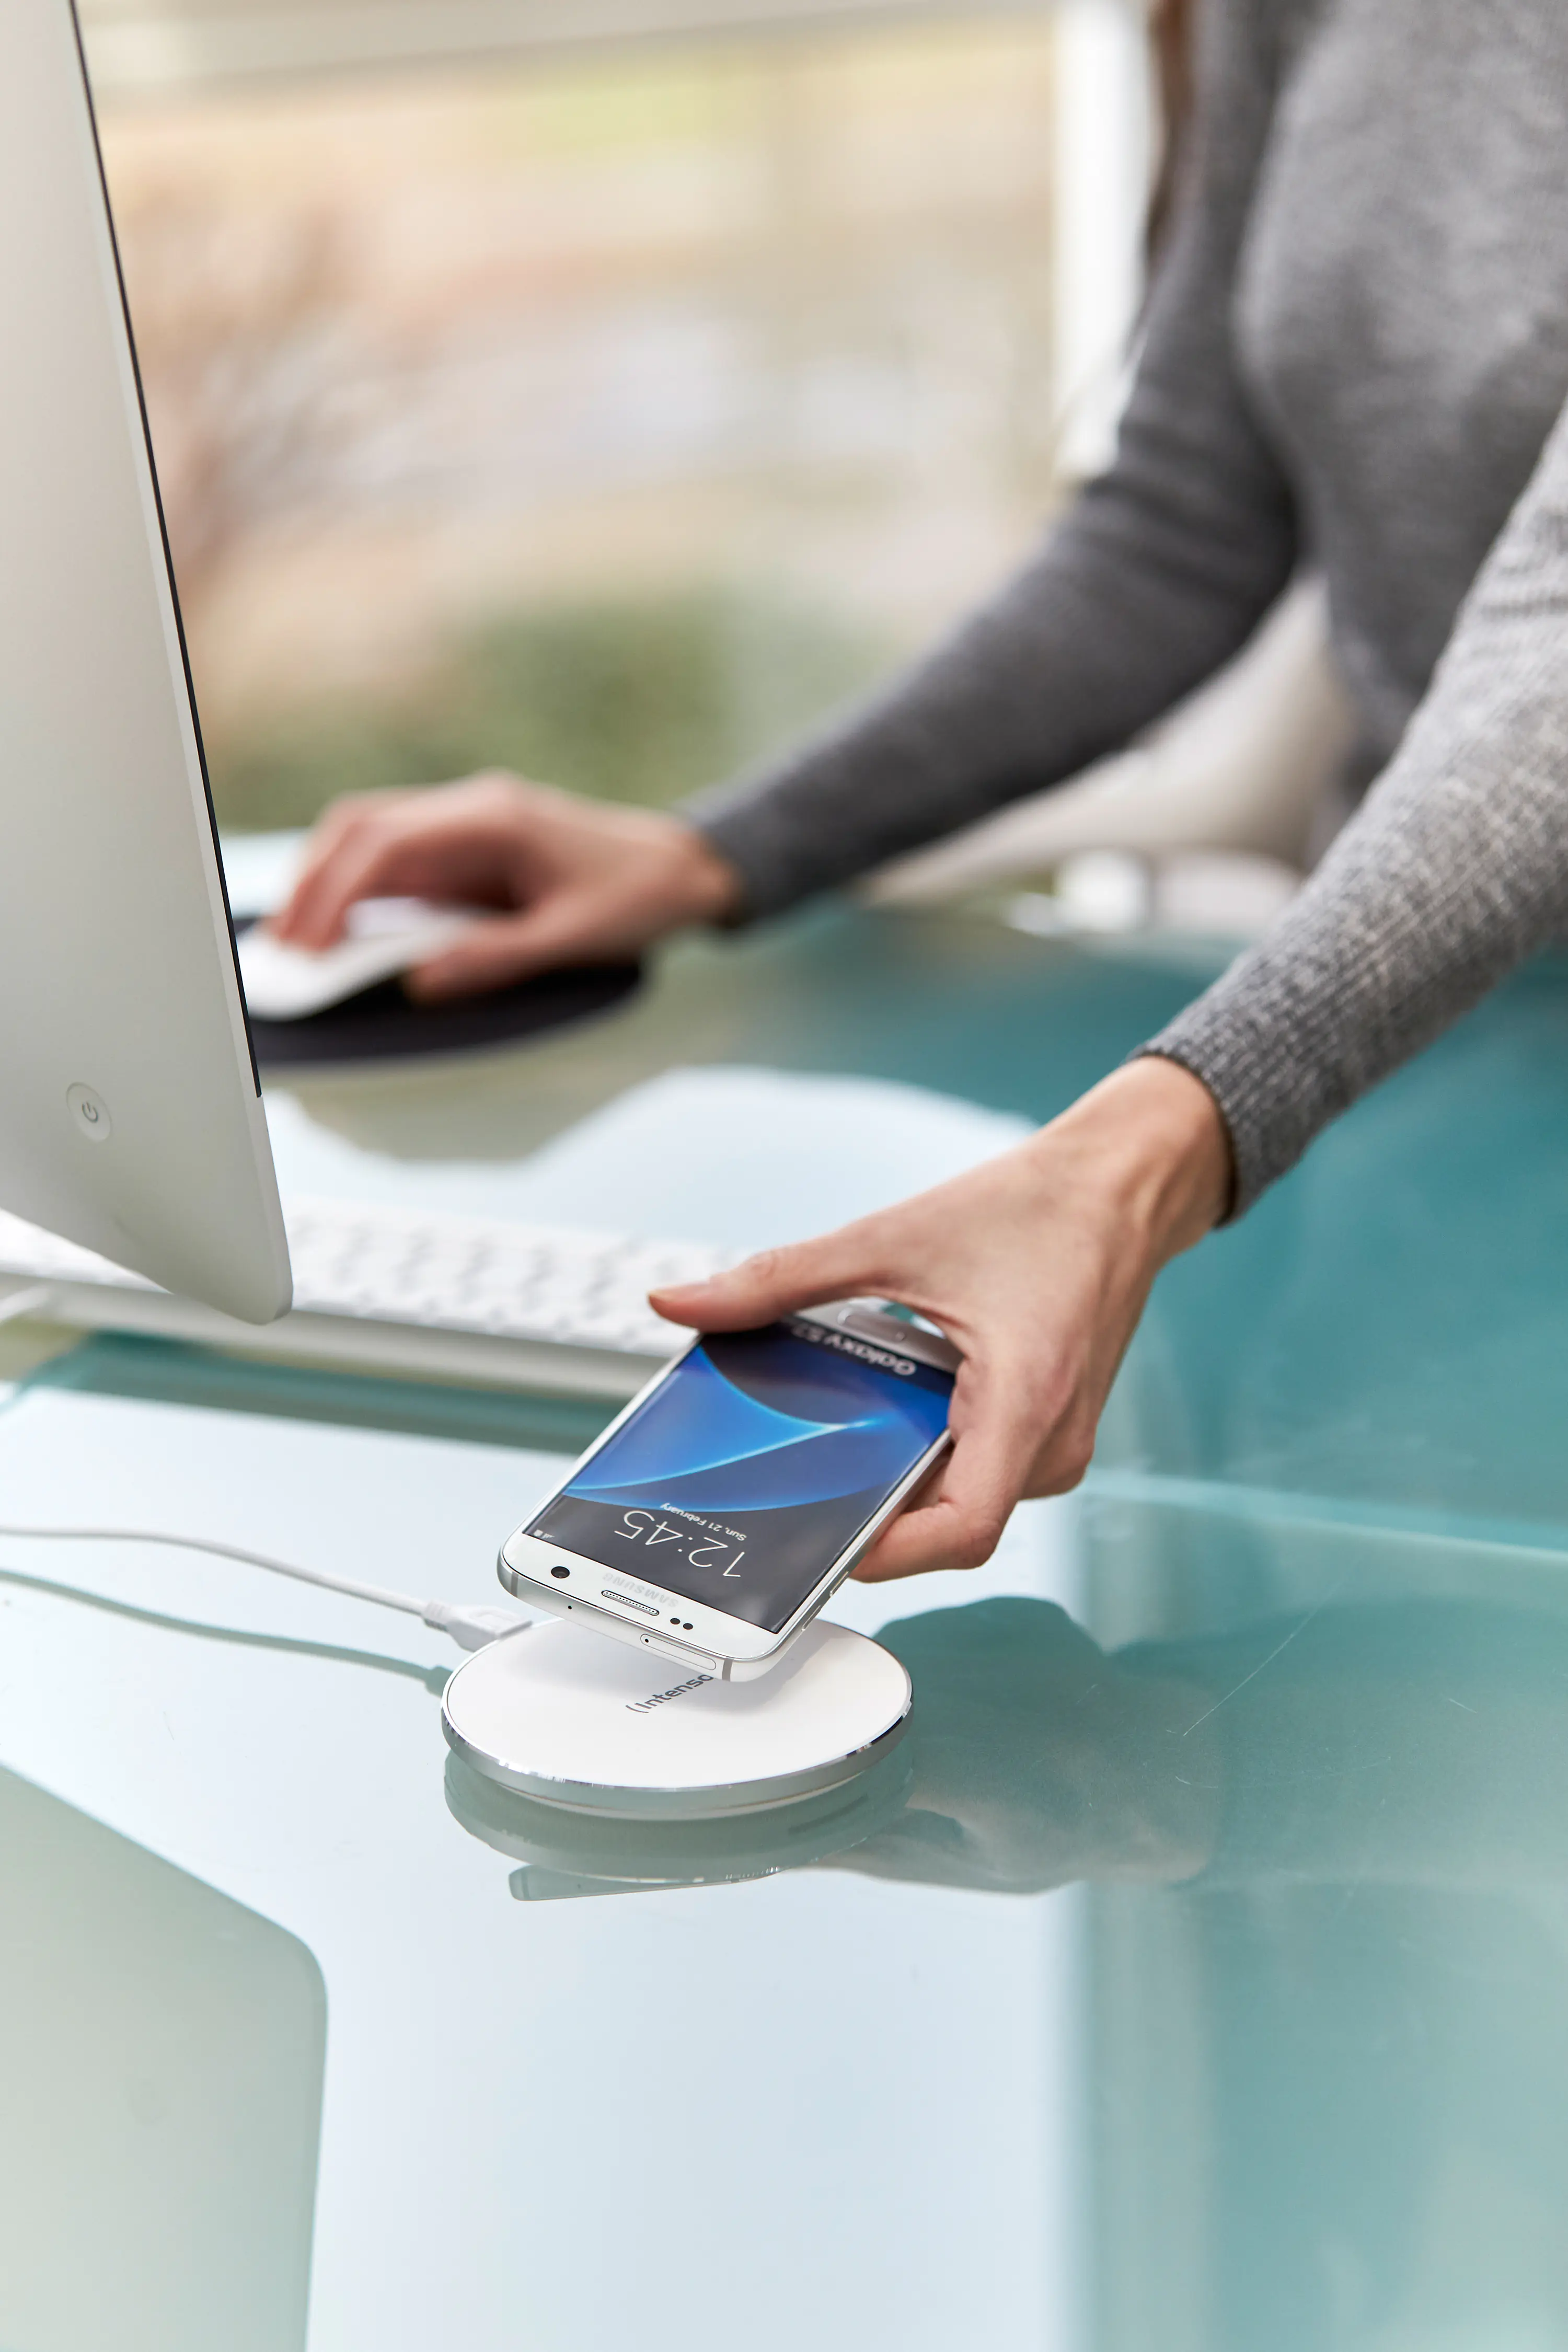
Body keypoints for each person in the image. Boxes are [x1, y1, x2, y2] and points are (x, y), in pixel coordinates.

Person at [272, 0, 1568, 1583]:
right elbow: (1180, 527)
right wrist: (715, 851)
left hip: (1367, 1059)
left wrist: (1134, 1158)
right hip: (1424, 1065)